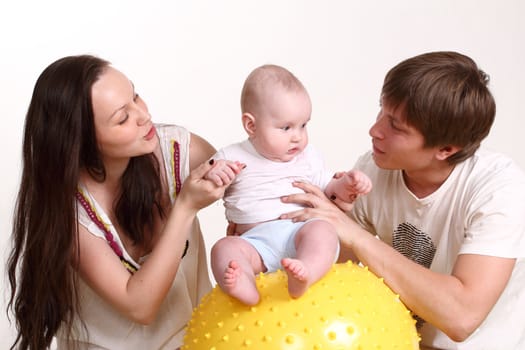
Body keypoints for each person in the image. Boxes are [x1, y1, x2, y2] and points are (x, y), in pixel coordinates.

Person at [280, 51, 525, 349]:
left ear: (446, 149)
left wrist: (355, 234)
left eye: (395, 126)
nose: (374, 130)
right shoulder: (372, 170)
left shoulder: (498, 187)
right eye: (381, 112)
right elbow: (346, 272)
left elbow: (462, 317)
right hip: (395, 339)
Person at [6, 55, 241, 350]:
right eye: (122, 118)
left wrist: (317, 208)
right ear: (83, 141)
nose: (143, 115)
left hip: (196, 339)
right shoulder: (71, 212)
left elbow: (263, 187)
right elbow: (139, 306)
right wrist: (185, 207)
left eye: (135, 96)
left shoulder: (177, 150)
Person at [205, 64, 372, 305]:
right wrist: (216, 172)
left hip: (299, 232)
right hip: (254, 242)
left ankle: (306, 271)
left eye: (303, 125)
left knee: (323, 231)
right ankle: (245, 285)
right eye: (286, 127)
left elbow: (329, 189)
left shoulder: (308, 157)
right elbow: (207, 184)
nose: (298, 136)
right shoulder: (232, 156)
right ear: (251, 125)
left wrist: (348, 184)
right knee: (223, 248)